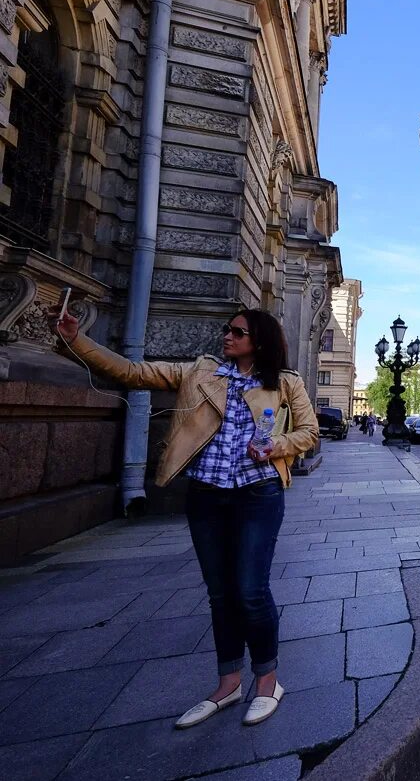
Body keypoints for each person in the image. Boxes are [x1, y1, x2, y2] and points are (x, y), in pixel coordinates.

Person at [54, 308, 317, 729]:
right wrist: (75, 339)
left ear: (260, 340)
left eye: (237, 332)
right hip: (207, 496)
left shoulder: (285, 382)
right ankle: (228, 683)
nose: (226, 336)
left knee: (250, 590)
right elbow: (132, 372)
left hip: (258, 495)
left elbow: (309, 431)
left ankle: (267, 681)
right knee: (220, 594)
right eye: (226, 330)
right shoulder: (200, 371)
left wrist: (277, 445)